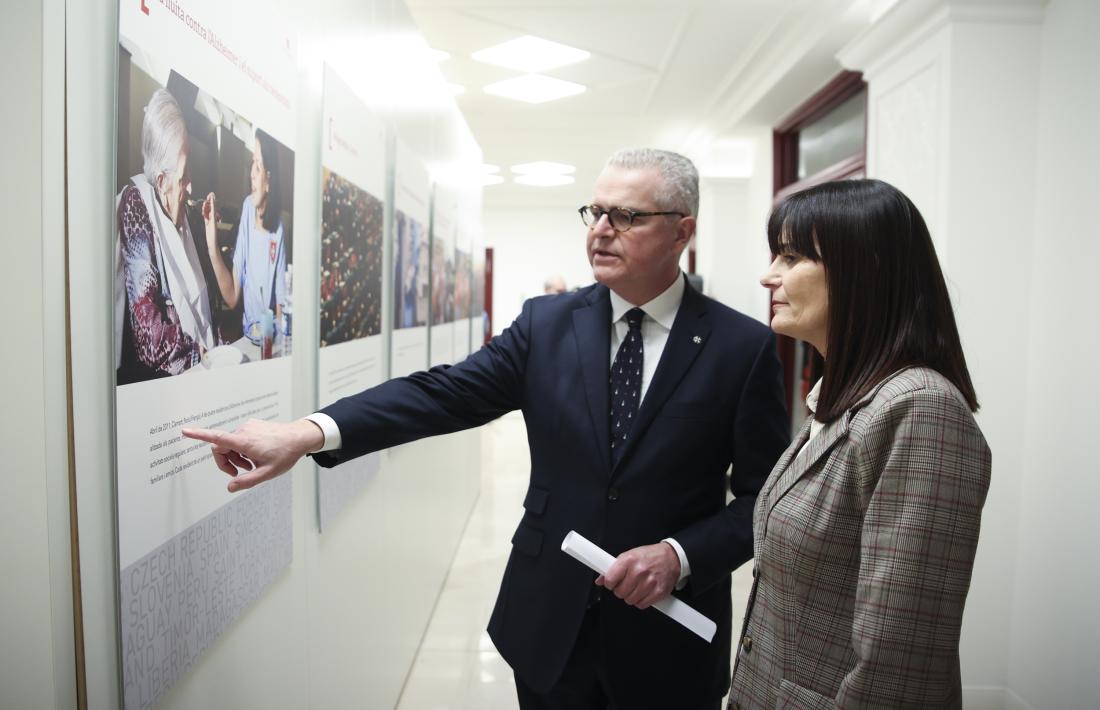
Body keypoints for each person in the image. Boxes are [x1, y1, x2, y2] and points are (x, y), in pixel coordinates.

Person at [184, 148, 790, 710]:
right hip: (550, 621)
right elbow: (440, 394)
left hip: (668, 633)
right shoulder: (548, 325)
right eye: (596, 211)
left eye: (627, 216)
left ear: (682, 230)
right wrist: (307, 432)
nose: (601, 229)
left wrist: (679, 555)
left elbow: (764, 501)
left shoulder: (742, 347)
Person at [728, 179, 991, 709]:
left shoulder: (919, 408)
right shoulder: (841, 401)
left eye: (792, 255)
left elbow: (899, 664)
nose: (769, 275)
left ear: (862, 271)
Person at [115, 88, 215, 383]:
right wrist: (203, 355)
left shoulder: (183, 214)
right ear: (161, 181)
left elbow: (203, 307)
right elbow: (149, 335)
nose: (191, 187)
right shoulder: (136, 205)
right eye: (183, 177)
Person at [203, 128, 287, 336]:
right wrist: (212, 244)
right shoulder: (248, 209)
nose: (251, 174)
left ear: (269, 180)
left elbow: (281, 307)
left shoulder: (278, 231)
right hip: (249, 336)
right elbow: (231, 297)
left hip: (270, 339)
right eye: (252, 164)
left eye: (258, 166)